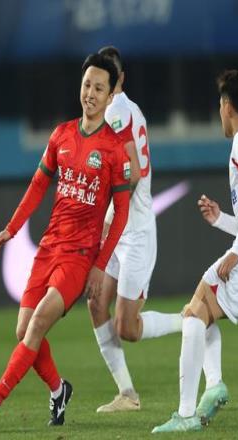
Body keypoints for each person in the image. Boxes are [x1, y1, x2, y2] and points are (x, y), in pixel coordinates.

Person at [0, 53, 132, 426]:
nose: (90, 94)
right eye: (87, 85)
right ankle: (59, 390)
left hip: (79, 256)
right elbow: (37, 186)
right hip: (49, 248)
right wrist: (11, 229)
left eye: (99, 88)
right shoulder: (61, 135)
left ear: (111, 95)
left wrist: (99, 265)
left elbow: (122, 213)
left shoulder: (114, 149)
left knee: (37, 323)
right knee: (23, 329)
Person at [152, 70, 238, 433]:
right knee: (197, 307)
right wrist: (221, 220)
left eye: (219, 104)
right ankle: (213, 387)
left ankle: (187, 413)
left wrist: (237, 250)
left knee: (196, 314)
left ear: (227, 106)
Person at [87, 46, 183, 413]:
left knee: (127, 327)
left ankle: (190, 320)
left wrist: (107, 211)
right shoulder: (129, 109)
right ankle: (127, 393)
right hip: (120, 229)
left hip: (135, 230)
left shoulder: (115, 111)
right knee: (96, 302)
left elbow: (134, 171)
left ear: (118, 78)